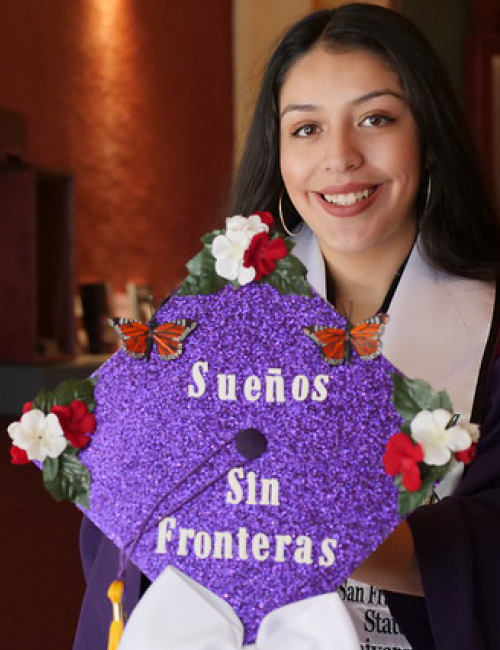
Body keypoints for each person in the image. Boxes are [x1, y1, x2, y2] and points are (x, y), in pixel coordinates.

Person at [74, 4, 500, 649]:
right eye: (305, 129)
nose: (340, 158)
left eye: (376, 118)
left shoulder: (492, 336)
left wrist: (323, 530)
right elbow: (122, 541)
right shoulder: (205, 324)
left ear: (430, 134)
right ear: (278, 152)